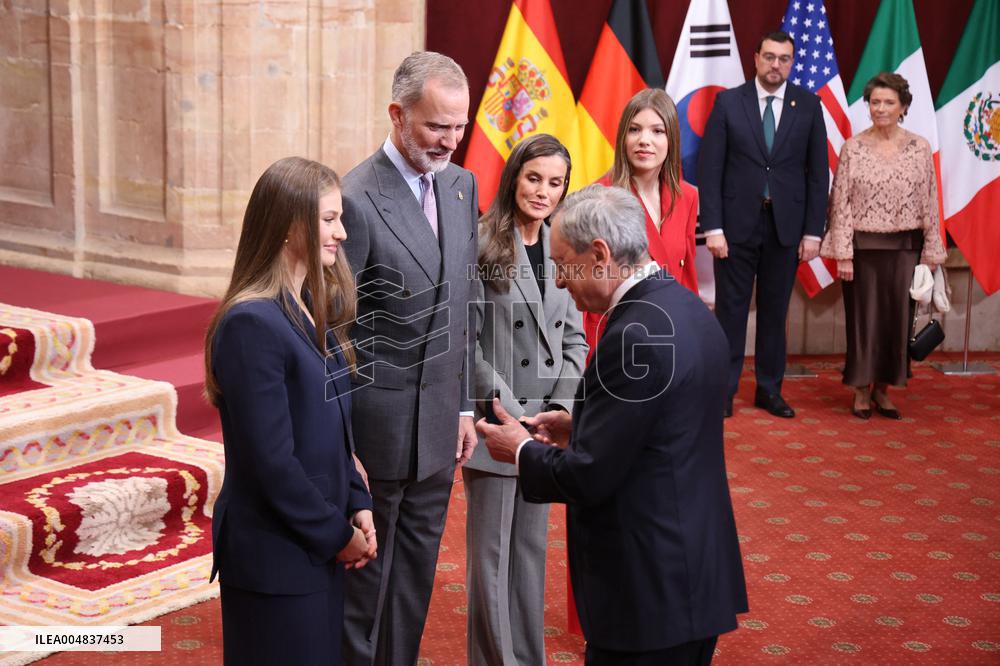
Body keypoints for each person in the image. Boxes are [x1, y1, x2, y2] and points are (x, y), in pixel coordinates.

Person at [476, 186, 748, 666]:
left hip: (647, 591)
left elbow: (589, 476)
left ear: (599, 254)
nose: (559, 282)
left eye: (562, 264)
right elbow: (661, 428)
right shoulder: (686, 309)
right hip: (693, 577)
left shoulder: (632, 337)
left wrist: (519, 449)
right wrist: (581, 423)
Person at [204, 157, 376, 665]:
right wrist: (337, 535)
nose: (341, 233)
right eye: (328, 219)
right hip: (276, 555)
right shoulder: (251, 324)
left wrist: (356, 498)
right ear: (286, 224)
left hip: (313, 545)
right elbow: (270, 462)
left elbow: (332, 429)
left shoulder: (305, 306)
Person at [340, 51, 480, 665]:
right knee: (365, 583)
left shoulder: (461, 183)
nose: (450, 141)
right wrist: (339, 443)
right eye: (435, 127)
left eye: (459, 126)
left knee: (417, 576)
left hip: (441, 430)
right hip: (377, 431)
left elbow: (465, 306)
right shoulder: (354, 196)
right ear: (398, 115)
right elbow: (335, 335)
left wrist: (466, 407)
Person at [465, 133, 587, 665]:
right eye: (534, 177)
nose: (543, 191)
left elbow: (576, 338)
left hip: (543, 431)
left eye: (555, 182)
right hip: (496, 424)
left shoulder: (567, 245)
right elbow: (461, 338)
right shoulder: (479, 242)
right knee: (490, 559)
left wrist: (560, 408)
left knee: (530, 555)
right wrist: (505, 404)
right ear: (514, 175)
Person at [698, 31, 829, 418]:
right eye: (769, 56)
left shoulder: (808, 105)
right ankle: (722, 392)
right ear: (755, 57)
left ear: (792, 62)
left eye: (784, 59)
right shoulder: (727, 103)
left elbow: (818, 175)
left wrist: (812, 232)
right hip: (735, 228)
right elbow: (711, 170)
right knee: (731, 313)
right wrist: (714, 229)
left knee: (775, 313)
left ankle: (770, 390)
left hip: (786, 228)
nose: (776, 65)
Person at [820, 72, 946, 420]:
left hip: (906, 250)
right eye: (875, 102)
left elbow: (931, 201)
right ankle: (861, 390)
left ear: (903, 107)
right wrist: (843, 252)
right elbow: (839, 202)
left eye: (889, 102)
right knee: (863, 323)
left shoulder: (920, 147)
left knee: (896, 323)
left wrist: (932, 254)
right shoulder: (854, 147)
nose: (881, 108)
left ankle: (884, 390)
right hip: (862, 253)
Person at [584, 88, 699, 361]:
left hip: (671, 339)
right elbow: (586, 296)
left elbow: (687, 280)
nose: (644, 140)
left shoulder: (688, 196)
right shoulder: (597, 197)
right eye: (635, 130)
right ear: (623, 137)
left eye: (657, 131)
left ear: (671, 138)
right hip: (616, 343)